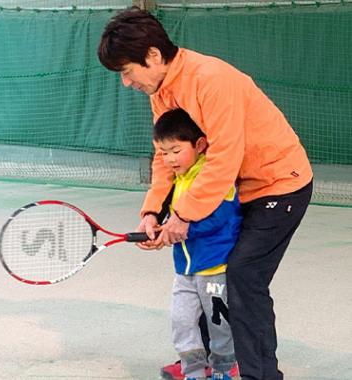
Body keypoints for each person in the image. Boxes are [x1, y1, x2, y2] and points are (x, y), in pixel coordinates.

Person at [98, 6, 313, 380]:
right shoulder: (162, 90)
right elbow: (166, 155)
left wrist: (184, 215)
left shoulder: (210, 79)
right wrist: (153, 212)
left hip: (279, 183)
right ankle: (208, 364)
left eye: (127, 72)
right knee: (204, 268)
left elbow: (225, 157)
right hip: (232, 190)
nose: (127, 83)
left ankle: (259, 374)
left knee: (242, 275)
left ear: (152, 56)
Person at [152, 108, 242, 380]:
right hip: (184, 271)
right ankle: (193, 371)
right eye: (163, 152)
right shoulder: (179, 180)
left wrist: (184, 229)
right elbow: (176, 219)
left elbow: (221, 218)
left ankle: (224, 370)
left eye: (175, 151)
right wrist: (161, 227)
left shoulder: (214, 177)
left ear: (199, 145)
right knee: (181, 321)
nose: (169, 159)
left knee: (219, 324)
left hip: (214, 269)